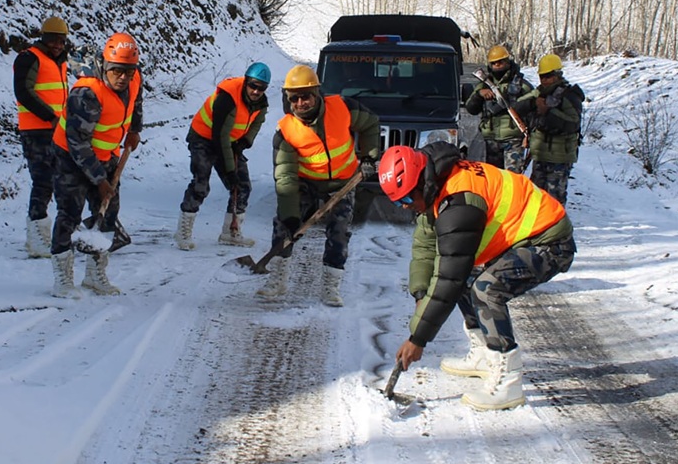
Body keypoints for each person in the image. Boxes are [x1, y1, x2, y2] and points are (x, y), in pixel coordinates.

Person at [378, 141, 576, 411]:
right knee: (466, 280)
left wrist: (418, 339)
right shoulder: (435, 182)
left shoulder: (458, 202)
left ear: (421, 183)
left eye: (407, 199)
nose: (404, 207)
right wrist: (421, 294)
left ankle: (508, 382)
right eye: (398, 202)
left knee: (486, 289)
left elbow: (449, 277)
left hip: (549, 241)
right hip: (523, 237)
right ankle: (483, 354)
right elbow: (425, 247)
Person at [257, 64, 380, 307]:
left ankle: (330, 287)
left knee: (339, 231)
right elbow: (286, 178)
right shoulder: (286, 131)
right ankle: (278, 280)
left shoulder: (343, 107)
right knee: (284, 226)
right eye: (294, 98)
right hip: (306, 182)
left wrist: (369, 157)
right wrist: (291, 216)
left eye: (306, 96)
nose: (300, 103)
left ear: (316, 93)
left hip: (343, 182)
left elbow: (370, 123)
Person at [50, 33, 143, 298]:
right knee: (69, 212)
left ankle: (95, 274)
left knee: (109, 212)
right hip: (71, 156)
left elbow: (136, 101)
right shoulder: (86, 94)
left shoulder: (135, 78)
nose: (123, 77)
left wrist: (135, 129)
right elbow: (78, 143)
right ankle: (63, 279)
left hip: (107, 153)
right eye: (116, 71)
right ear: (105, 66)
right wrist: (100, 181)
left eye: (128, 71)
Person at [174, 62, 271, 250]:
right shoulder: (227, 98)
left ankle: (230, 232)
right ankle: (183, 232)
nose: (256, 91)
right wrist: (229, 171)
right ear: (246, 81)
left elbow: (257, 123)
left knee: (242, 186)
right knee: (201, 183)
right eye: (253, 86)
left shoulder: (261, 103)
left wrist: (246, 140)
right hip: (203, 137)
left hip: (230, 141)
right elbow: (220, 136)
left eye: (262, 88)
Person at [12, 16, 70, 258]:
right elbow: (23, 91)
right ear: (43, 37)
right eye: (52, 40)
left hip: (57, 131)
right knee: (43, 181)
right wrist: (50, 116)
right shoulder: (30, 58)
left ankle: (46, 233)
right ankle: (36, 235)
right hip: (36, 131)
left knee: (58, 181)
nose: (57, 44)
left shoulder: (60, 62)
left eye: (61, 40)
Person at [520, 54, 584, 204]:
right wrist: (532, 103)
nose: (544, 80)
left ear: (557, 75)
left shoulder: (570, 95)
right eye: (542, 76)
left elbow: (573, 124)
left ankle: (556, 227)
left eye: (548, 76)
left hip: (559, 157)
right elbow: (518, 106)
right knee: (535, 198)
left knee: (554, 200)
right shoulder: (540, 92)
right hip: (541, 154)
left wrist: (548, 111)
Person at [464, 44, 534, 173]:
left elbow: (534, 111)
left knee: (513, 180)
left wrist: (529, 136)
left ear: (507, 61)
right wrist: (479, 95)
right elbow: (471, 109)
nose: (498, 65)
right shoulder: (483, 84)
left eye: (501, 62)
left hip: (513, 140)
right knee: (495, 180)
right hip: (491, 141)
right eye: (494, 63)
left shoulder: (521, 85)